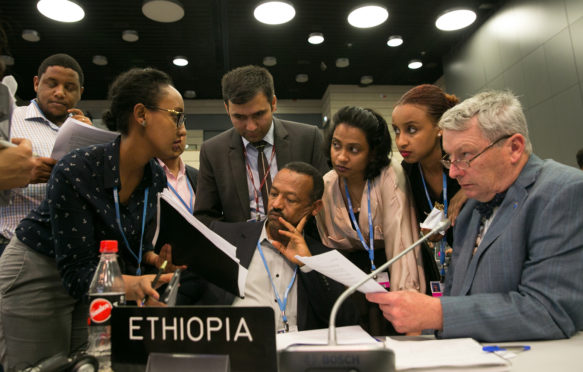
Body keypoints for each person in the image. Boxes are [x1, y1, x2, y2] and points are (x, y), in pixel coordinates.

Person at [0, 67, 185, 368]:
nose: (182, 127)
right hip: (38, 271)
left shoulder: (153, 176)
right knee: (40, 365)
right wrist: (135, 284)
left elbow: (126, 243)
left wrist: (154, 262)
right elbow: (75, 272)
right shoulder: (78, 168)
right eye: (176, 115)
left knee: (87, 363)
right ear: (141, 114)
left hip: (97, 278)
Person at [367, 90, 583, 342]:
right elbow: (459, 296)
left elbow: (550, 311)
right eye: (450, 157)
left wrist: (437, 314)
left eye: (465, 156)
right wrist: (423, 328)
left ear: (514, 147)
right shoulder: (471, 207)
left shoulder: (563, 192)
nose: (453, 172)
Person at [192, 162, 357, 331]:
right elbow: (188, 294)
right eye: (273, 194)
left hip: (295, 353)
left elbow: (342, 320)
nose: (276, 204)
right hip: (236, 347)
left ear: (314, 207)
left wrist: (308, 265)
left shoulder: (323, 258)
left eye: (290, 199)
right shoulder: (225, 236)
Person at [315, 106, 424, 335]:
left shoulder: (390, 175)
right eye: (336, 145)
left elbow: (402, 247)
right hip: (350, 285)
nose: (341, 156)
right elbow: (329, 253)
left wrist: (408, 308)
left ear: (373, 152)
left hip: (394, 272)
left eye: (354, 149)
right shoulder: (327, 184)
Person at [194, 65, 328, 225]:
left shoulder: (308, 138)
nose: (251, 127)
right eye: (239, 117)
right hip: (240, 246)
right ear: (227, 109)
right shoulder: (212, 151)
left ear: (273, 103)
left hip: (301, 242)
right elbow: (205, 217)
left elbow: (324, 202)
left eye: (259, 114)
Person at [0, 53, 91, 252]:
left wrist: (93, 147)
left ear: (80, 92)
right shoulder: (9, 120)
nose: (59, 93)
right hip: (11, 244)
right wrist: (23, 174)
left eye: (69, 87)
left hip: (67, 250)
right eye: (52, 84)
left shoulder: (87, 135)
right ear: (36, 83)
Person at [391, 84, 467, 294]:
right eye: (397, 130)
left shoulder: (468, 167)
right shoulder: (406, 173)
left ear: (440, 127)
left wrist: (470, 191)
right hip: (443, 275)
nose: (401, 141)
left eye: (412, 130)